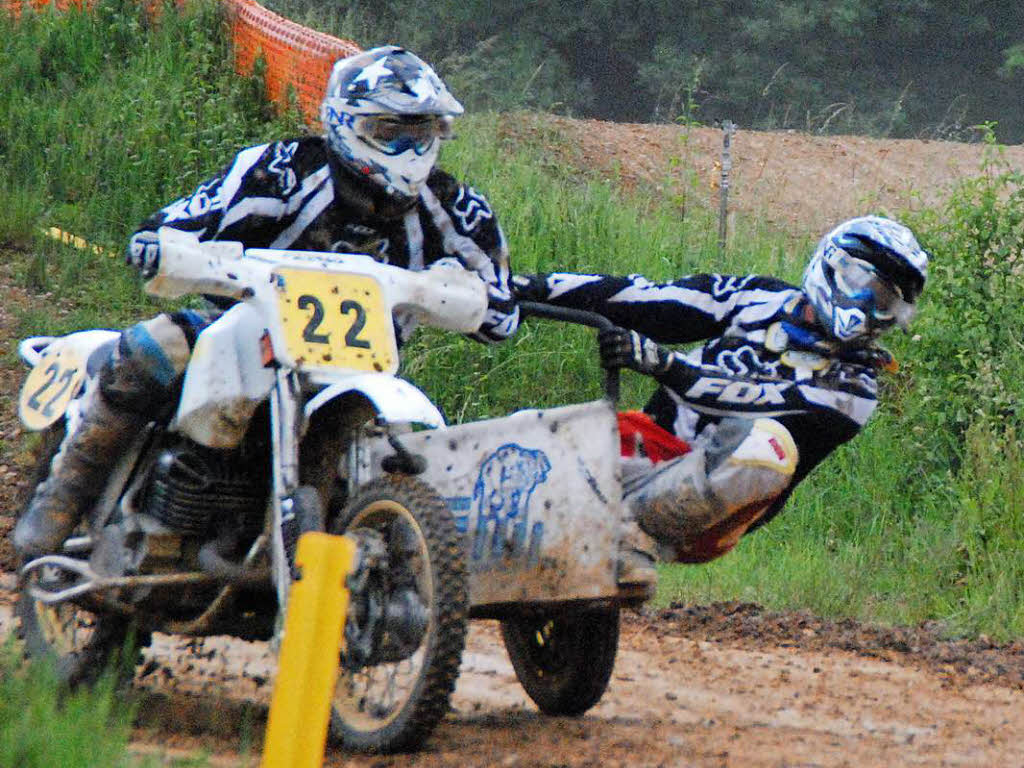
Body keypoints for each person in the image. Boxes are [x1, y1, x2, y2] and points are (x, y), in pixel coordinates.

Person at [14, 46, 519, 558]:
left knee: (383, 444)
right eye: (391, 132)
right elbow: (183, 220)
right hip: (241, 327)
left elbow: (500, 309)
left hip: (354, 365)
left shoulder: (454, 206)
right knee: (155, 345)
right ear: (346, 125)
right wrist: (161, 242)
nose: (411, 149)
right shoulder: (280, 170)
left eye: (425, 131)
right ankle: (62, 497)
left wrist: (463, 298)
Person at [513, 215, 928, 594]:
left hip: (709, 513)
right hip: (649, 446)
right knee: (521, 443)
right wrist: (527, 288)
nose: (872, 308)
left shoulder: (856, 386)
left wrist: (666, 365)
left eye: (887, 301)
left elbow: (750, 400)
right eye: (868, 289)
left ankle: (628, 538)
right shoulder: (758, 297)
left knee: (767, 446)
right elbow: (649, 299)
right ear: (836, 265)